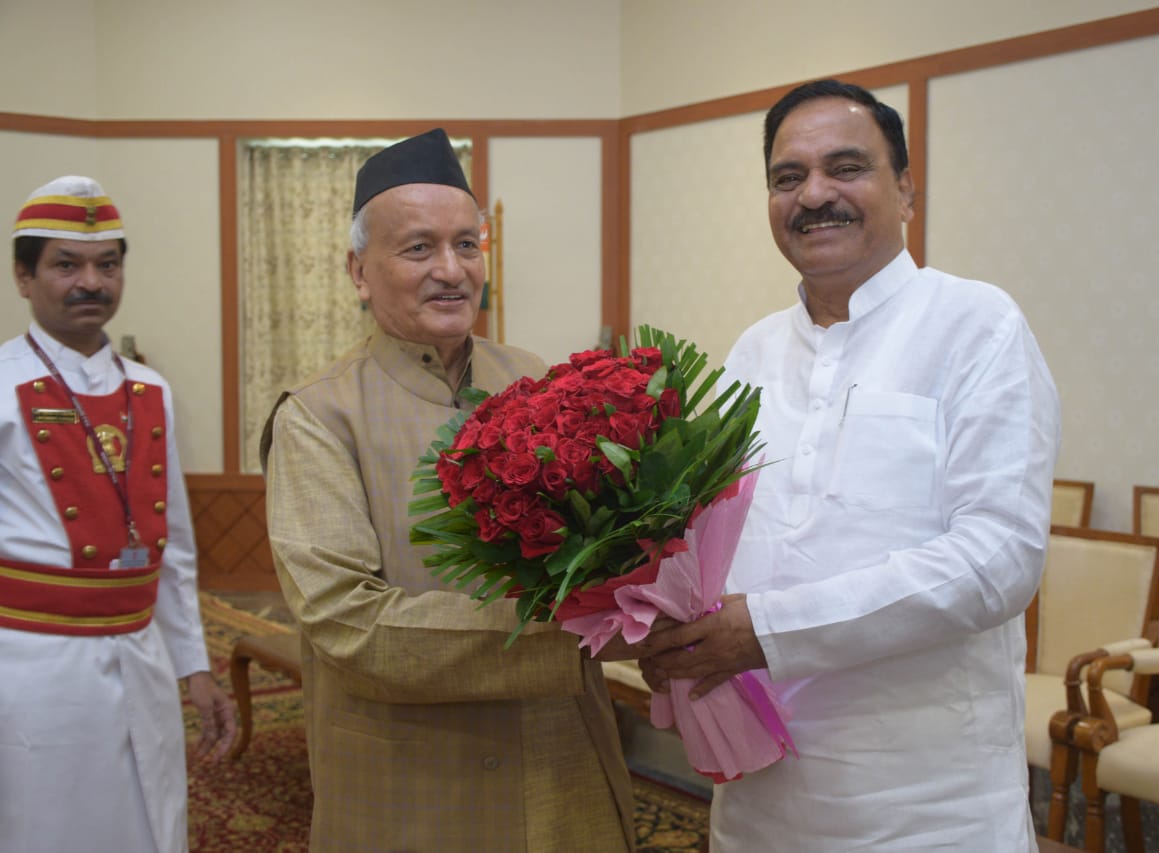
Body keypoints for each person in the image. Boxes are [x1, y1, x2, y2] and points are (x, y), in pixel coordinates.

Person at [636, 80, 1062, 850]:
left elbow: (999, 559)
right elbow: (705, 550)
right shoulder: (751, 352)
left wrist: (766, 629)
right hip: (760, 799)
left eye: (846, 167)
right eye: (787, 177)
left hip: (931, 809)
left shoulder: (976, 325)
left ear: (905, 190)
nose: (814, 194)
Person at [262, 129, 635, 852]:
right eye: (418, 248)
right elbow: (345, 620)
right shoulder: (316, 413)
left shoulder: (534, 377)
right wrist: (569, 642)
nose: (451, 269)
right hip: (411, 775)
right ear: (359, 270)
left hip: (555, 752)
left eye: (468, 244)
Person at [0, 175, 236, 852]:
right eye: (66, 265)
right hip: (31, 664)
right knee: (42, 823)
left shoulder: (150, 389)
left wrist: (194, 666)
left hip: (142, 654)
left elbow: (177, 549)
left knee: (148, 815)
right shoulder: (0, 386)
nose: (91, 283)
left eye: (108, 264)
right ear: (24, 277)